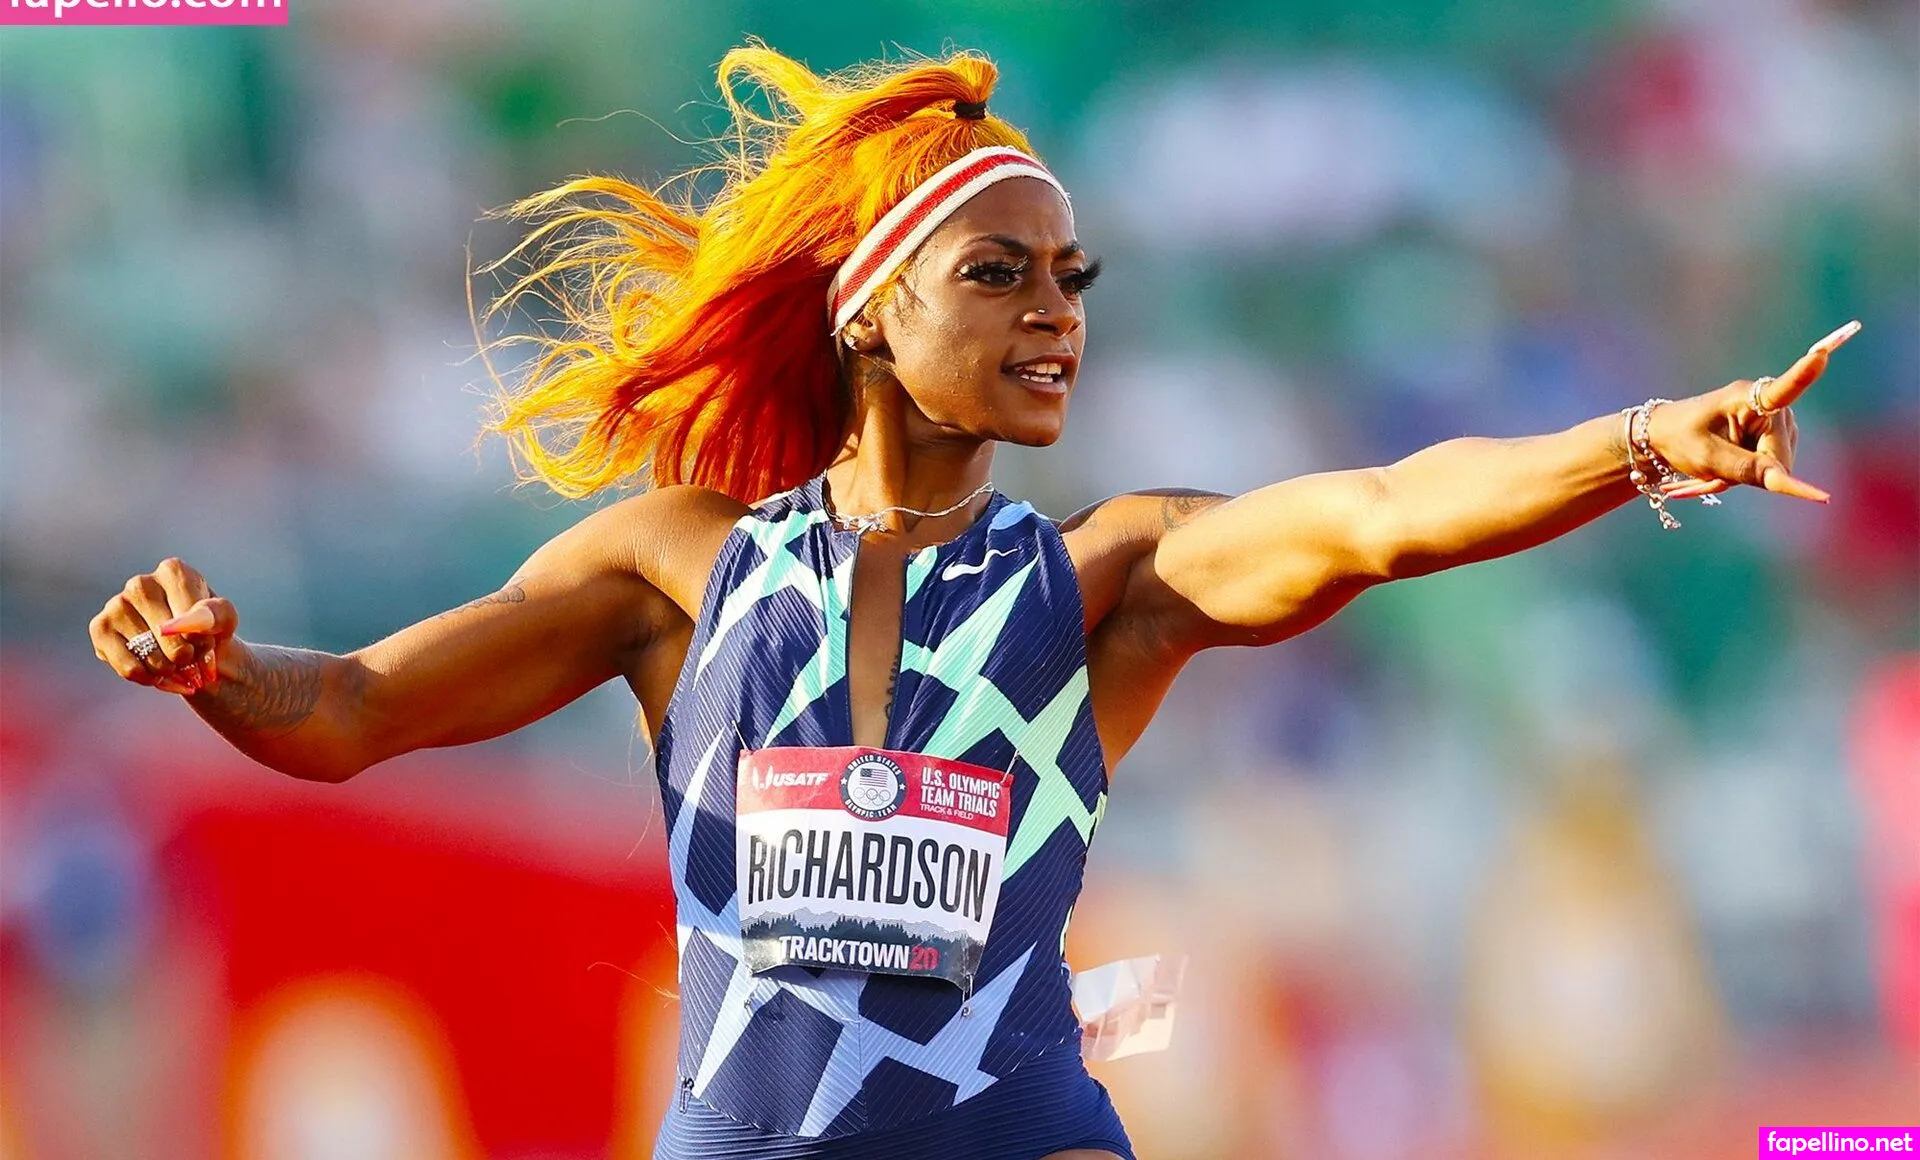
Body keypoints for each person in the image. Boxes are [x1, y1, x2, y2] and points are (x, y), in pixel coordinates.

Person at [86, 44, 1858, 1160]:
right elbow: (352, 714)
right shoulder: (674, 566)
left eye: (1073, 278)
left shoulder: (1109, 576)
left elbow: (1380, 517)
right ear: (870, 313)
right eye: (998, 275)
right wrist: (216, 668)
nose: (1055, 313)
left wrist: (1643, 442)